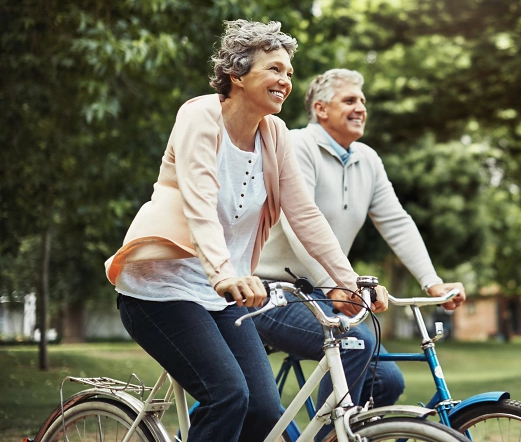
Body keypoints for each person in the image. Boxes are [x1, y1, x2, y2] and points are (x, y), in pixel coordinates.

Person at [104, 22, 388, 442]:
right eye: (275, 69)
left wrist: (347, 282)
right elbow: (199, 200)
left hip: (225, 296)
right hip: (161, 289)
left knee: (265, 410)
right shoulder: (199, 115)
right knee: (227, 396)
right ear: (237, 75)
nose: (285, 81)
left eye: (289, 73)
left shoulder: (274, 135)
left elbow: (305, 215)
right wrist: (223, 272)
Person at [253, 68, 466, 439]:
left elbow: (397, 223)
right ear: (320, 108)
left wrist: (432, 282)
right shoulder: (297, 146)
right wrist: (334, 283)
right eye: (350, 100)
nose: (360, 108)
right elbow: (297, 221)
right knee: (357, 343)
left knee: (387, 380)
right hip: (270, 292)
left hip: (323, 293)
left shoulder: (367, 159)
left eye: (362, 102)